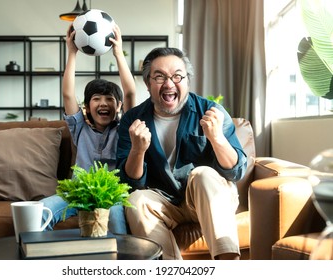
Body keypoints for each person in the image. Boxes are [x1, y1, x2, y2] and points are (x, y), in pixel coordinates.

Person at [116, 47, 247, 259]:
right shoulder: (132, 119)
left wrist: (217, 138)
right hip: (165, 201)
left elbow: (237, 172)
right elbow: (130, 184)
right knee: (136, 199)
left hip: (208, 196)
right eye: (159, 77)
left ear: (187, 81)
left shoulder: (211, 111)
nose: (169, 84)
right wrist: (137, 151)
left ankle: (228, 263)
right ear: (148, 84)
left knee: (203, 174)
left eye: (177, 76)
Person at [41, 23, 135, 234]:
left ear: (118, 106)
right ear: (86, 107)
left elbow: (129, 93)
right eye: (96, 99)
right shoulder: (79, 127)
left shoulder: (124, 129)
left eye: (110, 99)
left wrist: (118, 53)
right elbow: (67, 95)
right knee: (41, 211)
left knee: (117, 220)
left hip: (112, 196)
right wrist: (72, 52)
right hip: (78, 194)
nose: (103, 103)